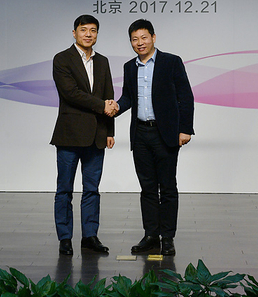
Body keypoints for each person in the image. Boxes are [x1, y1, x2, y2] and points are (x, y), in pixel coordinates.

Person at [115, 19, 194, 256]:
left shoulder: (171, 62)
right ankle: (151, 235)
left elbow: (185, 97)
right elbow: (128, 98)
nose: (139, 43)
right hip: (140, 134)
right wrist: (115, 107)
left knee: (167, 187)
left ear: (153, 38)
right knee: (147, 187)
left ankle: (167, 237)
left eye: (144, 37)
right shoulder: (130, 67)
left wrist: (185, 129)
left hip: (165, 133)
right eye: (134, 39)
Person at [50, 14, 118, 256]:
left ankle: (90, 236)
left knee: (92, 190)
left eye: (93, 30)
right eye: (83, 30)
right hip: (69, 135)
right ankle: (65, 238)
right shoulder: (62, 59)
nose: (88, 34)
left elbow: (109, 95)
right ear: (74, 33)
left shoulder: (103, 61)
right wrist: (102, 106)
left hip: (97, 135)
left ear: (97, 34)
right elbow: (70, 93)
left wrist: (110, 130)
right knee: (64, 190)